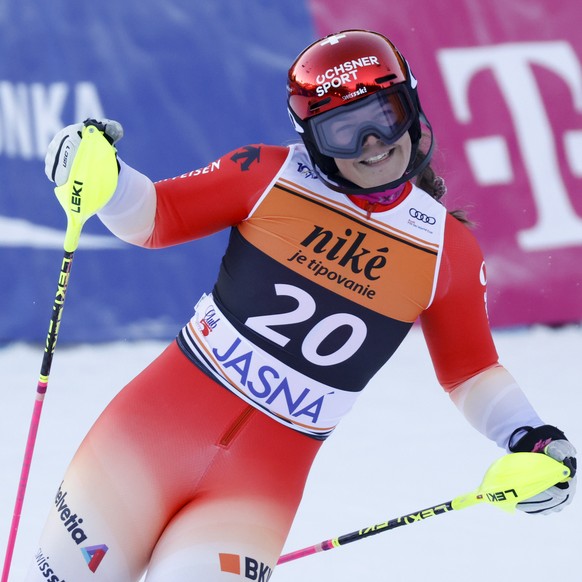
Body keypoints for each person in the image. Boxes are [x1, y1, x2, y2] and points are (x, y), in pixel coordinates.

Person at [31, 29, 575, 581]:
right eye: (343, 130)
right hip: (142, 441)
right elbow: (153, 217)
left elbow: (471, 371)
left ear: (410, 110)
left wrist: (531, 435)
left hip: (251, 494)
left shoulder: (446, 249)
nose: (370, 143)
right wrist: (100, 177)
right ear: (314, 140)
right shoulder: (268, 175)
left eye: (382, 116)